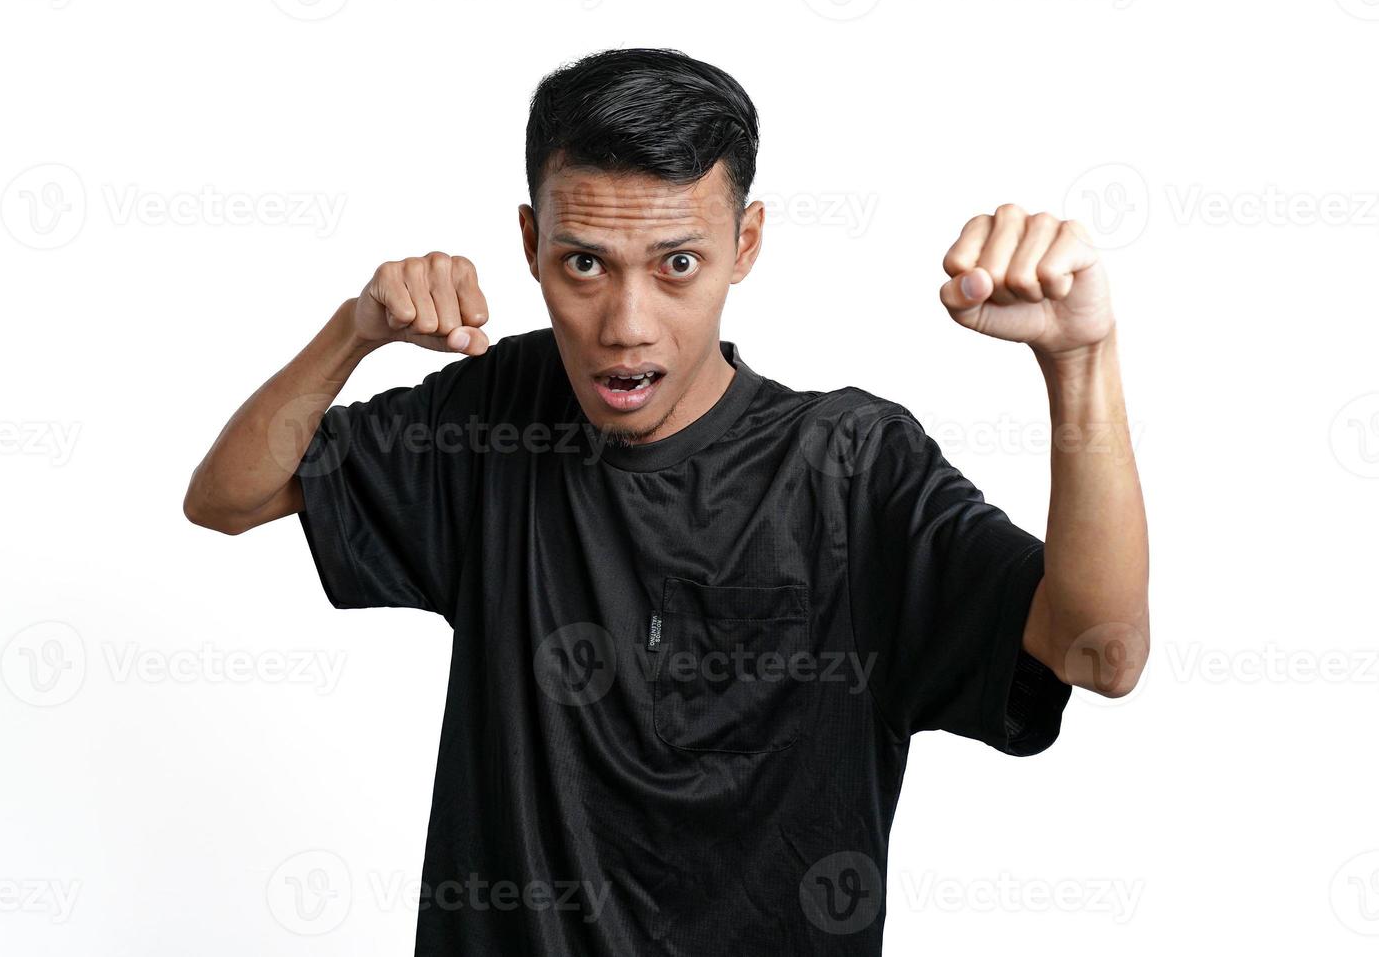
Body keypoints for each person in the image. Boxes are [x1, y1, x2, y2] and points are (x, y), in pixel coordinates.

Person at [184, 46, 1150, 956]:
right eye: (585, 264)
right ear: (530, 244)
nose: (627, 325)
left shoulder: (852, 467)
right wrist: (354, 330)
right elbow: (228, 497)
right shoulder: (497, 416)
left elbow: (1100, 654)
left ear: (747, 242)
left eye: (677, 264)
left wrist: (1079, 362)